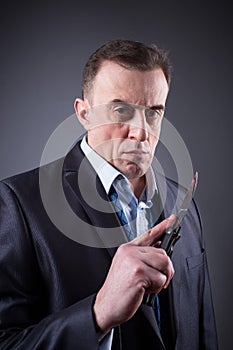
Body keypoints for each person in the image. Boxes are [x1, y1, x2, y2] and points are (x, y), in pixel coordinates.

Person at [0, 39, 218, 349]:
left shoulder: (184, 203)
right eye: (121, 110)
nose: (141, 132)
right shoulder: (17, 204)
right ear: (84, 113)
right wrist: (98, 313)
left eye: (153, 113)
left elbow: (203, 333)